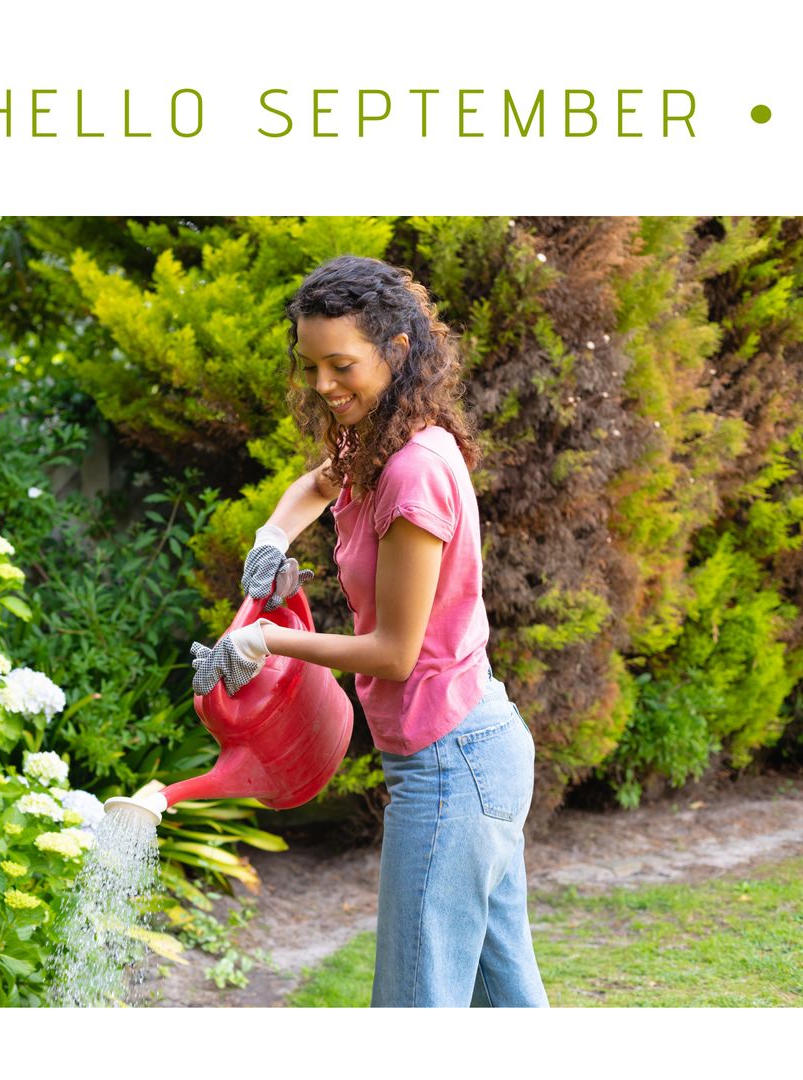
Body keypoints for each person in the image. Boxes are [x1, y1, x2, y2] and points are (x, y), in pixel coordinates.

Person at [190, 254, 549, 1008]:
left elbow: (394, 653)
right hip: (471, 748)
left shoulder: (413, 471)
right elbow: (315, 486)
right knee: (504, 1001)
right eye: (313, 366)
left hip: (451, 764)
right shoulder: (378, 441)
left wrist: (264, 642)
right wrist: (272, 537)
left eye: (340, 365)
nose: (324, 386)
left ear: (396, 351)